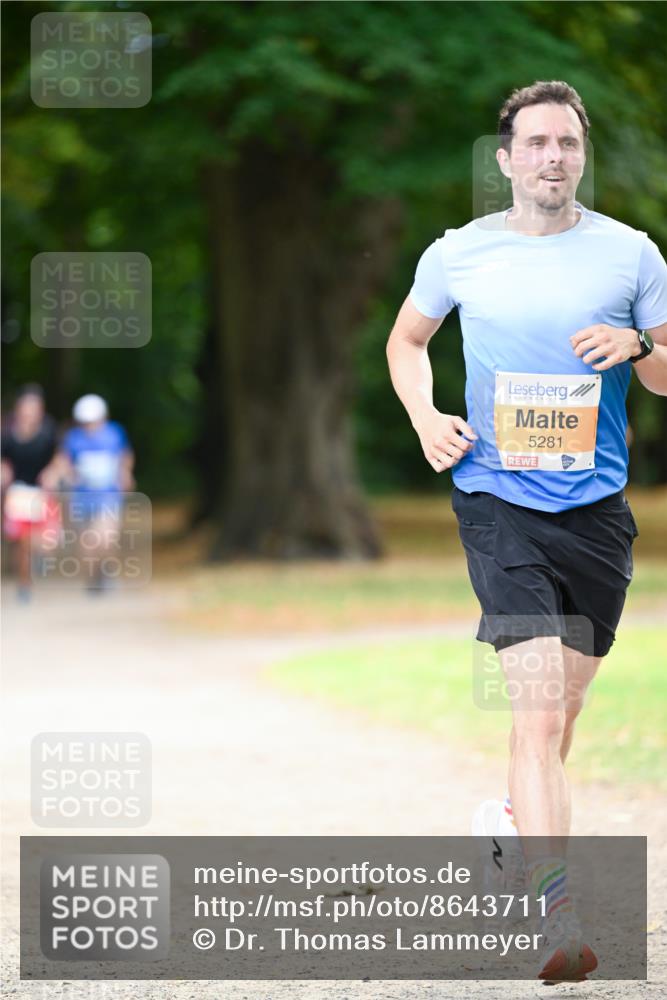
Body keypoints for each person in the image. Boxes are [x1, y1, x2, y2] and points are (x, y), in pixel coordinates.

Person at [386, 80, 667, 983]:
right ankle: (559, 916)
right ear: (504, 158)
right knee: (537, 712)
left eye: (568, 144)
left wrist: (636, 348)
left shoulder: (630, 256)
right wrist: (427, 419)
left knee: (565, 716)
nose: (553, 157)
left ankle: (511, 826)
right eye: (536, 143)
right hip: (496, 502)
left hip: (595, 514)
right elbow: (405, 342)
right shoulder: (459, 255)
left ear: (581, 156)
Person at [43, 394, 135, 592]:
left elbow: (125, 456)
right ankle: (95, 576)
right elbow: (63, 460)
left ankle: (106, 568)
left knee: (105, 537)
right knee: (87, 543)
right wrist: (59, 474)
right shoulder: (73, 438)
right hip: (82, 497)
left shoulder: (114, 433)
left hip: (108, 495)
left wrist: (125, 473)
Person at [1, 385, 59, 602]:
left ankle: (40, 559)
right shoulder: (7, 434)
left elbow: (59, 458)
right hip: (18, 494)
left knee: (46, 541)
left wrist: (52, 472)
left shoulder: (48, 432)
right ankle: (24, 584)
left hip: (41, 493)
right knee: (22, 542)